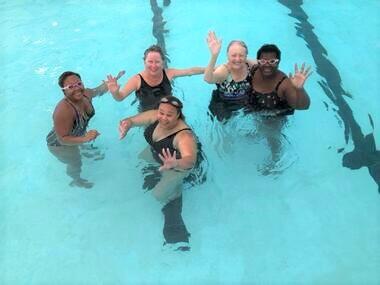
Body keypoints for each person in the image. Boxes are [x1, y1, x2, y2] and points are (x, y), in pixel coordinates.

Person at [119, 96, 202, 251]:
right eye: (161, 112)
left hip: (177, 164)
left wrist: (175, 163)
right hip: (158, 153)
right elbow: (134, 120)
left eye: (169, 115)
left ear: (178, 115)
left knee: (159, 195)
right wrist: (127, 124)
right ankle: (168, 182)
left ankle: (175, 202)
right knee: (144, 166)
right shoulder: (156, 116)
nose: (163, 117)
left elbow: (190, 160)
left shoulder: (184, 136)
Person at [46, 70, 125, 188]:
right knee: (75, 162)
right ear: (64, 90)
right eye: (70, 86)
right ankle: (76, 180)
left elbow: (98, 90)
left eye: (79, 84)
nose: (77, 88)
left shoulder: (86, 94)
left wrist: (111, 83)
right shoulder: (63, 111)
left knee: (79, 148)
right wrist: (85, 138)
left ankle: (83, 149)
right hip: (59, 144)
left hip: (75, 135)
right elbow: (62, 139)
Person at [249, 44, 311, 173]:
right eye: (263, 61)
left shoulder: (284, 84)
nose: (267, 65)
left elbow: (303, 106)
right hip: (259, 111)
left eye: (272, 61)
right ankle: (258, 132)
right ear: (258, 61)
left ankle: (275, 161)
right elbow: (242, 59)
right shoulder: (253, 70)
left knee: (272, 138)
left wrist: (299, 89)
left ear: (278, 62)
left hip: (275, 117)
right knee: (260, 125)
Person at [106, 45, 205, 112]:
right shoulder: (137, 80)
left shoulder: (169, 73)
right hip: (147, 112)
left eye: (157, 62)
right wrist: (115, 92)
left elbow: (190, 71)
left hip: (167, 110)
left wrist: (211, 69)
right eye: (150, 61)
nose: (154, 66)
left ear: (163, 62)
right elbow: (120, 97)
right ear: (144, 62)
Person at [204, 31, 257, 122]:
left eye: (241, 55)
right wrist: (214, 56)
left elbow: (269, 69)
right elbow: (208, 79)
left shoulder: (251, 65)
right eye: (233, 55)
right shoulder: (224, 70)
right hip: (224, 104)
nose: (237, 59)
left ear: (246, 56)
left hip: (246, 100)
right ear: (227, 56)